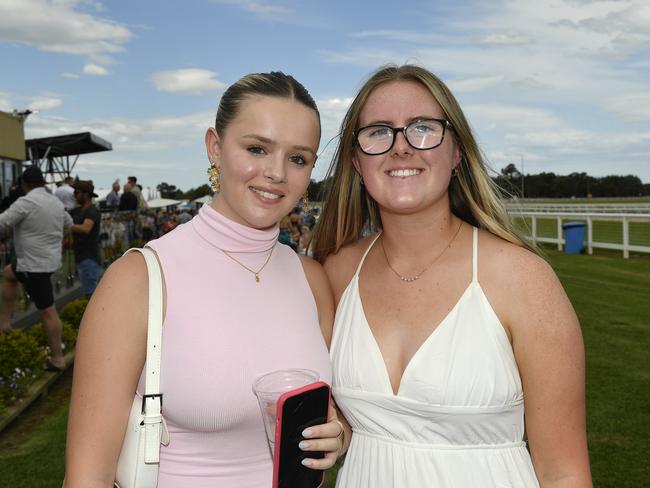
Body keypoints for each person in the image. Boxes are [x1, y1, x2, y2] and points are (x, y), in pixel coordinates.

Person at [310, 65, 593, 487]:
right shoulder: (336, 272)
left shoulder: (522, 278)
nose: (401, 147)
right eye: (379, 132)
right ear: (356, 159)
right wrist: (339, 433)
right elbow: (350, 423)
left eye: (422, 128)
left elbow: (564, 473)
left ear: (457, 151)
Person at [64, 71, 345, 487]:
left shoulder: (312, 279)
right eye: (256, 148)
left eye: (297, 158)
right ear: (215, 147)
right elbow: (87, 478)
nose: (276, 173)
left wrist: (335, 435)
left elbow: (331, 420)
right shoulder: (139, 280)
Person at [0, 166, 73, 371]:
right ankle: (4, 323)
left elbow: (2, 224)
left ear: (24, 184)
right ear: (42, 183)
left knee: (48, 311)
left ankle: (57, 358)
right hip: (47, 262)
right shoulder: (55, 202)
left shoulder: (26, 202)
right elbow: (68, 223)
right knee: (9, 274)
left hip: (33, 266)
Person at [69, 180, 102, 298]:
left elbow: (86, 228)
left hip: (89, 258)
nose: (74, 195)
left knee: (92, 295)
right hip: (81, 257)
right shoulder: (76, 211)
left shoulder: (92, 211)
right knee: (89, 292)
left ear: (86, 194)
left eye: (76, 192)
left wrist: (67, 225)